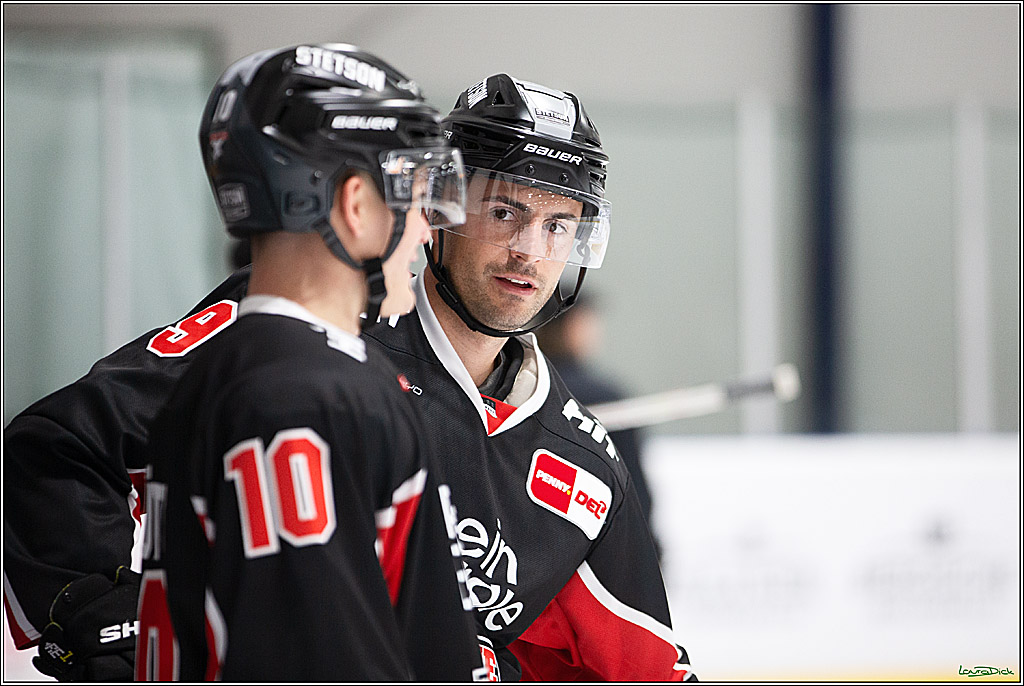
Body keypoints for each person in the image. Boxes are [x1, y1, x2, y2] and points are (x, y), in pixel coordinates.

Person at [4, 72, 697, 682]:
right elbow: (60, 446)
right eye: (504, 210)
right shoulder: (308, 322)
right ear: (441, 210)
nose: (528, 251)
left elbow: (641, 666)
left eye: (557, 225)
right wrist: (85, 602)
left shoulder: (583, 470)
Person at [10, 43, 483, 682]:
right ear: (355, 204)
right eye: (414, 194)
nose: (429, 230)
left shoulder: (216, 381)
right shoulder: (312, 398)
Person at [533, 292, 661, 557]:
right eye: (588, 323)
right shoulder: (602, 395)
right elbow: (632, 484)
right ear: (571, 326)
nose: (595, 333)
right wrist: (648, 545)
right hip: (600, 545)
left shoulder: (516, 386)